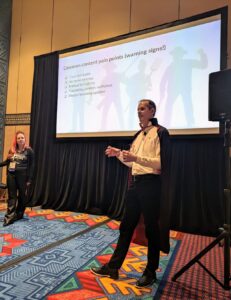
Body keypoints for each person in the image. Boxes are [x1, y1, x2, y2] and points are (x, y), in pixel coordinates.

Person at [91, 99, 170, 288]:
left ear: (152, 111)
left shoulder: (160, 132)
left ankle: (150, 272)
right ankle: (113, 266)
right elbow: (133, 164)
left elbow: (160, 163)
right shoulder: (137, 135)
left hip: (151, 185)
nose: (139, 112)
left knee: (151, 230)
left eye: (142, 109)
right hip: (135, 185)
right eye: (137, 109)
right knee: (126, 227)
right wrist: (118, 154)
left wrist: (135, 157)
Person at [0, 131, 34, 226]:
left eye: (22, 138)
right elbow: (7, 162)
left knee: (22, 196)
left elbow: (32, 166)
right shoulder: (12, 150)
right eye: (18, 138)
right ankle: (9, 217)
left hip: (23, 177)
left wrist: (29, 180)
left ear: (24, 139)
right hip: (11, 176)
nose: (20, 139)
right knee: (12, 196)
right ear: (16, 140)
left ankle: (19, 214)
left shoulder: (29, 151)